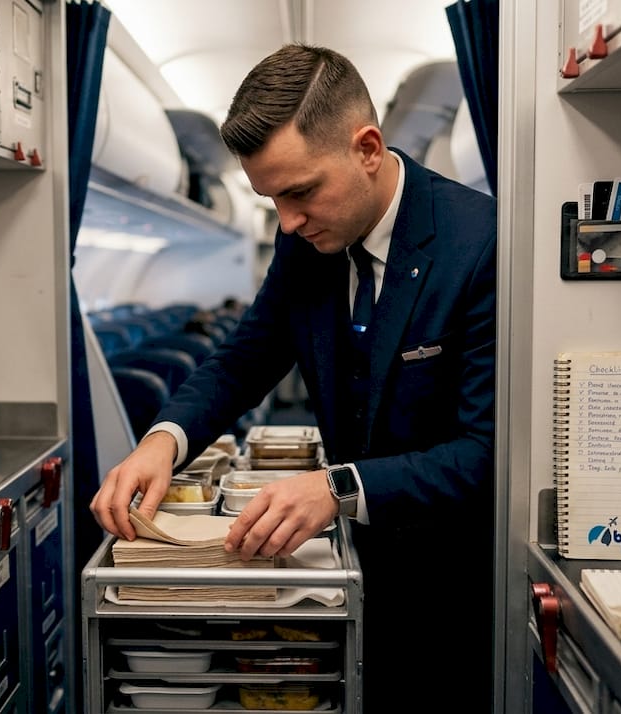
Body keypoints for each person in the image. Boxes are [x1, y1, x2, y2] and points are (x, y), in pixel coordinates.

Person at [90, 43, 496, 711]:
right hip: (344, 564)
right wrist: (160, 441)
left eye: (301, 191)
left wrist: (338, 487)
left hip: (444, 576)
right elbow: (245, 358)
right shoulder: (304, 239)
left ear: (368, 148)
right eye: (271, 198)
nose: (287, 221)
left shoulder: (477, 242)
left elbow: (482, 453)